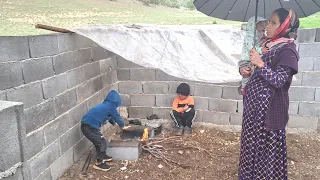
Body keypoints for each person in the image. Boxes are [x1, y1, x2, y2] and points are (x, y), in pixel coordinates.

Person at [238, 8, 300, 179]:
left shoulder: (288, 50)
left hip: (268, 115)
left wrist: (260, 64)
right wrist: (248, 70)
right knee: (251, 147)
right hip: (254, 112)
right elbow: (260, 73)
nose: (267, 26)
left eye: (273, 23)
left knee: (265, 153)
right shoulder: (267, 45)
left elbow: (279, 80)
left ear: (285, 26)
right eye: (268, 22)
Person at [81, 90, 125, 171]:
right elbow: (116, 116)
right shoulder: (111, 106)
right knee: (101, 142)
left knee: (100, 141)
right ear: (116, 101)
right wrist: (123, 126)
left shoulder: (106, 105)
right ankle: (99, 163)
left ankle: (102, 156)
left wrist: (113, 123)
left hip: (88, 125)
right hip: (89, 127)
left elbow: (109, 116)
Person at [238, 16, 268, 95]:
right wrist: (260, 50)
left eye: (264, 25)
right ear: (254, 25)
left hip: (254, 57)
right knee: (247, 72)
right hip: (247, 57)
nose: (263, 27)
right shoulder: (250, 35)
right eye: (261, 25)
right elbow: (250, 46)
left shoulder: (260, 33)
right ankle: (243, 87)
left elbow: (261, 40)